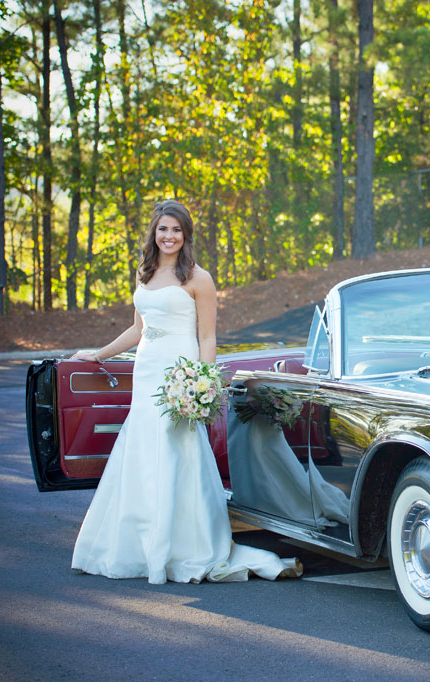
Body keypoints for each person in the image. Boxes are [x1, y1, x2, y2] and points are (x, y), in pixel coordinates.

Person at [70, 200, 301, 584]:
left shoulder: (198, 277)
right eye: (163, 229)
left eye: (176, 230)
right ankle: (137, 544)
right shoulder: (143, 273)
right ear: (154, 232)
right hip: (146, 372)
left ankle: (182, 545)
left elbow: (207, 336)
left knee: (177, 451)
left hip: (180, 374)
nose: (169, 236)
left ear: (186, 235)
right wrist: (99, 354)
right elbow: (138, 330)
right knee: (142, 452)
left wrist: (203, 383)